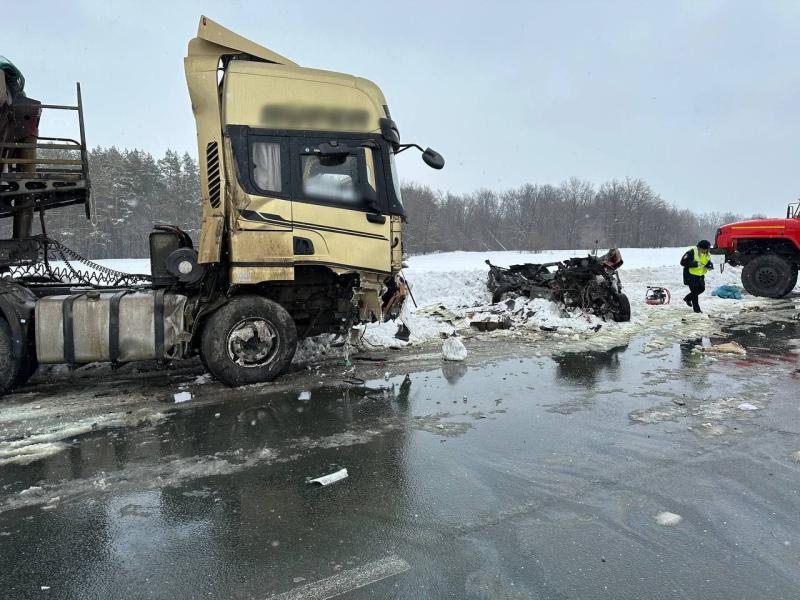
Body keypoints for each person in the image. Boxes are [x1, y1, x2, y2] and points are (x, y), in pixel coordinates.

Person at [680, 240, 714, 313]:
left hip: (700, 275)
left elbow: (707, 261)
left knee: (702, 289)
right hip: (690, 275)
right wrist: (694, 264)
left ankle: (688, 298)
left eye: (707, 249)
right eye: (705, 249)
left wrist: (710, 265)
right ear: (700, 248)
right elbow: (682, 262)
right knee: (694, 292)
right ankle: (697, 310)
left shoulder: (706, 253)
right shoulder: (691, 252)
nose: (706, 251)